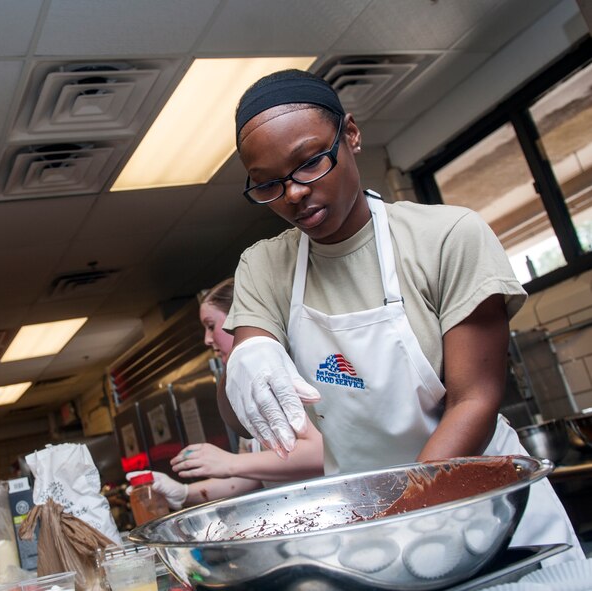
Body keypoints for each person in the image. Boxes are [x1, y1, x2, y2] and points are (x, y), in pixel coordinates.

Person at [218, 68, 583, 562]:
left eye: (309, 163)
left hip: (489, 507)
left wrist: (403, 516)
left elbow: (474, 400)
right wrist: (246, 359)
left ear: (350, 134)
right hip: (371, 524)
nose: (293, 193)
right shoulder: (265, 266)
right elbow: (245, 408)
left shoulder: (447, 237)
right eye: (267, 185)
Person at [126, 278, 323, 510]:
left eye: (211, 326)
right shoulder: (243, 387)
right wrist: (183, 493)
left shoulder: (287, 372)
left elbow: (319, 454)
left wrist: (230, 462)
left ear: (239, 320)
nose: (207, 339)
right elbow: (250, 476)